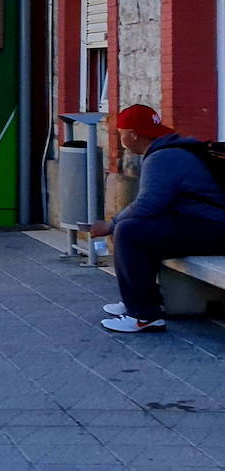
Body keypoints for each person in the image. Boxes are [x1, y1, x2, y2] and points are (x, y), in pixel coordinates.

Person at [89, 104, 225, 333]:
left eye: (121, 133)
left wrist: (111, 225)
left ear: (132, 134)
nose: (120, 138)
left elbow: (149, 204)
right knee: (136, 229)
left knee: (130, 233)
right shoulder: (173, 149)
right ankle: (138, 299)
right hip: (210, 225)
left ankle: (143, 315)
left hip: (216, 228)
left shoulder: (163, 158)